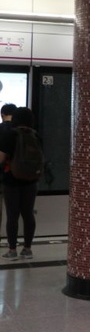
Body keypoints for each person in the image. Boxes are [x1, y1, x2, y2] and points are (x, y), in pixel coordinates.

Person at [1, 107, 39, 260]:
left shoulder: (10, 135)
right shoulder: (36, 135)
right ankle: (27, 249)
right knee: (28, 213)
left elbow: (1, 158)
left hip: (11, 179)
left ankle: (12, 250)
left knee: (12, 215)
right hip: (31, 180)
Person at [0, 103, 16, 246]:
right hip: (21, 175)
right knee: (21, 212)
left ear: (2, 115)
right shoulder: (23, 131)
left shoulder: (0, 129)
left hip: (3, 174)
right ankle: (23, 246)